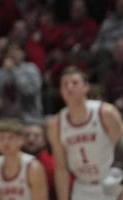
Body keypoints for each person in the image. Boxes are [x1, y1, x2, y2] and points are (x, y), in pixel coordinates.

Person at [47, 67, 123, 200]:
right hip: (82, 187)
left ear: (86, 87)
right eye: (65, 84)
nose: (69, 87)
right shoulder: (56, 124)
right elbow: (61, 169)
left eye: (74, 83)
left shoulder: (105, 113)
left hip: (111, 182)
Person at [0, 118, 47, 200]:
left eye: (10, 138)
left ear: (21, 140)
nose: (6, 142)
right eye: (1, 138)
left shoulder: (33, 167)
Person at [22, 122, 55, 196]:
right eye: (27, 135)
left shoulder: (52, 163)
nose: (31, 139)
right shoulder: (12, 160)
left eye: (36, 136)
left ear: (45, 141)